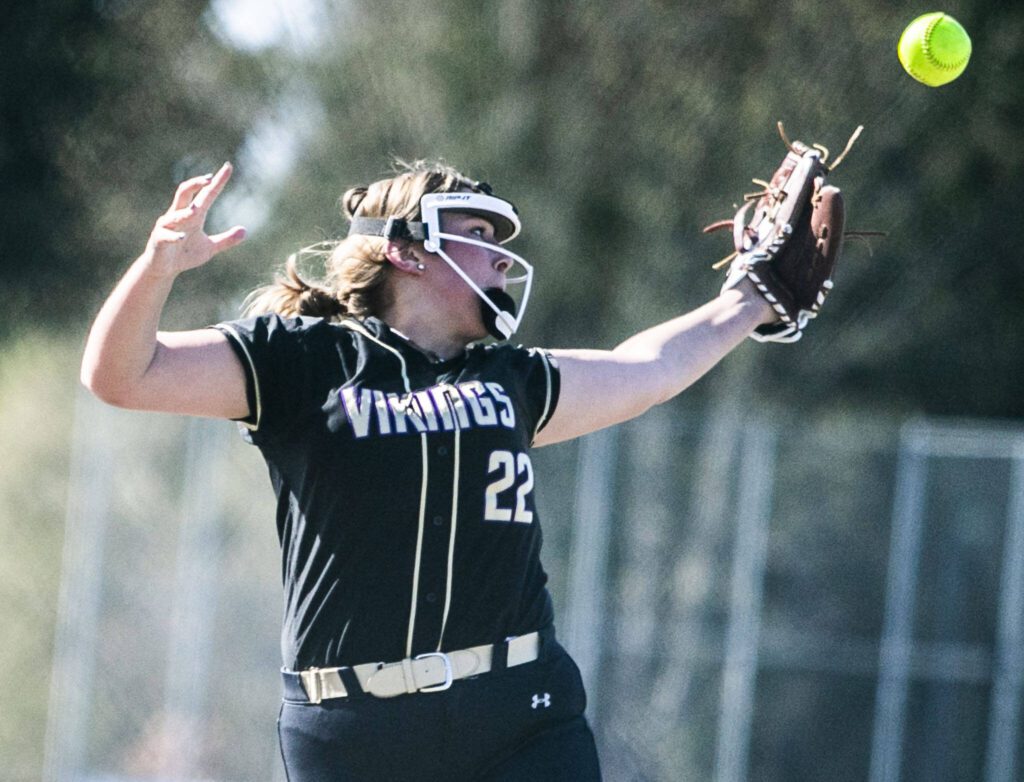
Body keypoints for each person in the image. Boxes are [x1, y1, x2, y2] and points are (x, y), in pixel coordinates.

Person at [81, 159, 778, 781]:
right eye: (480, 235)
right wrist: (157, 267)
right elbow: (120, 376)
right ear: (407, 251)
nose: (503, 259)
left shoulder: (511, 379)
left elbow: (645, 370)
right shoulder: (301, 361)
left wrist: (749, 299)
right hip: (354, 731)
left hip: (519, 714)